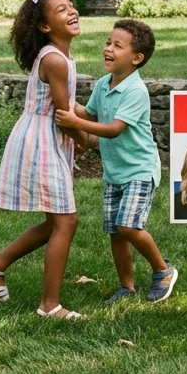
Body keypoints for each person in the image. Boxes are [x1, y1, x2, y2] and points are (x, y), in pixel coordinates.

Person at [0, 0, 86, 321]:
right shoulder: (55, 59)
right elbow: (64, 117)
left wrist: (98, 116)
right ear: (44, 26)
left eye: (71, 5)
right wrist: (89, 140)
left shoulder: (61, 57)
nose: (71, 11)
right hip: (41, 141)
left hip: (43, 136)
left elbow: (69, 105)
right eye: (61, 10)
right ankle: (49, 305)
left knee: (57, 219)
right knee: (65, 222)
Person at [56, 19, 178, 303]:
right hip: (115, 172)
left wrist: (76, 121)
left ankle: (163, 270)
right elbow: (90, 115)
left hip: (139, 169)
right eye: (108, 43)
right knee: (115, 233)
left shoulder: (135, 91)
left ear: (137, 58)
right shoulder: (103, 85)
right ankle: (127, 287)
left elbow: (113, 129)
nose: (108, 49)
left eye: (117, 46)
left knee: (128, 226)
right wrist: (68, 104)